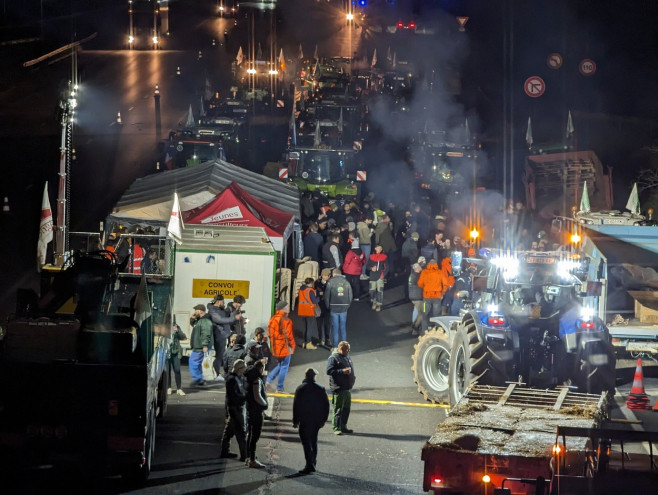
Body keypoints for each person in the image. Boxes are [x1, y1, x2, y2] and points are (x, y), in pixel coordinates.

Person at [292, 367, 330, 474]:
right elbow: (326, 405)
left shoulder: (300, 388)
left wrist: (295, 421)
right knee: (314, 441)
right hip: (316, 420)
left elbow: (296, 406)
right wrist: (323, 419)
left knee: (306, 442)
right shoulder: (320, 388)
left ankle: (309, 464)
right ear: (314, 376)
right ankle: (313, 462)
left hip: (304, 420)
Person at [207, 294, 241, 382]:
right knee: (219, 355)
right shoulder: (213, 311)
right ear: (218, 302)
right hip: (218, 335)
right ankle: (216, 374)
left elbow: (227, 316)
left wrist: (235, 310)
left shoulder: (220, 309)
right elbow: (222, 320)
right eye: (222, 301)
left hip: (223, 334)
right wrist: (234, 317)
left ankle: (216, 373)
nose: (224, 303)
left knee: (221, 355)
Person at [220, 359, 248, 461]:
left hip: (234, 409)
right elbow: (233, 396)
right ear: (239, 369)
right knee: (240, 433)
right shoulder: (232, 380)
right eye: (244, 367)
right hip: (235, 409)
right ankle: (245, 455)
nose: (245, 369)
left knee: (229, 432)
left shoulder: (237, 378)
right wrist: (244, 397)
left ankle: (225, 451)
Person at [326, 341, 356, 435]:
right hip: (339, 388)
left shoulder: (346, 356)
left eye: (349, 349)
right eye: (346, 349)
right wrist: (342, 371)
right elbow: (329, 371)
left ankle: (343, 426)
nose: (348, 351)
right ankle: (336, 428)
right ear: (340, 349)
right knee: (338, 409)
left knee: (346, 408)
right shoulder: (333, 358)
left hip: (347, 388)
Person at [266, 301, 296, 393]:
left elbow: (269, 333)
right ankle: (280, 388)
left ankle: (268, 380)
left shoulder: (272, 319)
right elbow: (289, 336)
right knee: (284, 367)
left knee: (280, 364)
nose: (288, 307)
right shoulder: (286, 320)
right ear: (283, 308)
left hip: (276, 347)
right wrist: (292, 346)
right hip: (284, 347)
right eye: (287, 306)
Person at [244, 360, 268, 468]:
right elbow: (257, 395)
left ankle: (249, 456)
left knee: (250, 434)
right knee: (255, 435)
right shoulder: (256, 380)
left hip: (249, 409)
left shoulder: (248, 376)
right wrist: (265, 404)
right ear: (260, 368)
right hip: (256, 410)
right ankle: (252, 459)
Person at [324, 268, 353, 351]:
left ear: (334, 274)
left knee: (335, 328)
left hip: (333, 307)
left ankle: (335, 346)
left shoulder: (330, 282)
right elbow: (350, 296)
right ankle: (344, 346)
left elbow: (327, 296)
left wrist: (328, 306)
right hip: (344, 308)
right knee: (343, 327)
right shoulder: (346, 282)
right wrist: (347, 305)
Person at [417, 259, 447, 331]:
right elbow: (445, 284)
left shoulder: (424, 272)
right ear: (436, 264)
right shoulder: (440, 272)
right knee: (437, 316)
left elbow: (420, 284)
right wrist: (442, 293)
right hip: (437, 297)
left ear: (429, 264)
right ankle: (438, 331)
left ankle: (424, 331)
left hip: (426, 297)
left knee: (425, 314)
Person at [189, 304, 213, 386]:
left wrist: (205, 345)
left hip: (200, 346)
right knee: (198, 363)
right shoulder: (200, 320)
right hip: (199, 346)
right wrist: (192, 318)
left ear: (200, 311)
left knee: (193, 362)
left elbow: (206, 333)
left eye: (196, 310)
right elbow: (194, 325)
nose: (195, 312)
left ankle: (198, 379)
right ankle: (200, 379)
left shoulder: (205, 320)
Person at [297, 277, 320, 350]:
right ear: (311, 283)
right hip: (309, 311)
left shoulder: (301, 289)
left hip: (302, 310)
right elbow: (315, 301)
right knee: (309, 327)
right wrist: (319, 296)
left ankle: (304, 342)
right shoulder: (310, 290)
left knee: (305, 326)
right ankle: (308, 343)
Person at [366, 244, 388, 312]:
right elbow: (367, 266)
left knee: (380, 291)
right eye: (378, 248)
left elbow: (387, 267)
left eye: (380, 248)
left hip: (380, 276)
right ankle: (374, 301)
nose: (379, 249)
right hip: (372, 276)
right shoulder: (371, 256)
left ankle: (379, 304)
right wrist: (371, 268)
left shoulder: (384, 257)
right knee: (371, 291)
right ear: (375, 249)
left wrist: (383, 274)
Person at [167, 323, 188, 396]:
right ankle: (168, 387)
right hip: (167, 352)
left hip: (176, 352)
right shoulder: (164, 326)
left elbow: (182, 337)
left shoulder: (176, 326)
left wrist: (178, 330)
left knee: (177, 370)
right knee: (167, 370)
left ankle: (179, 389)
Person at [314, 269, 332, 348]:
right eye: (323, 275)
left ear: (329, 276)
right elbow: (315, 292)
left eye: (326, 276)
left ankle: (327, 339)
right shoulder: (317, 282)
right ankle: (321, 339)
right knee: (319, 324)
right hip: (319, 306)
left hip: (328, 307)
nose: (324, 277)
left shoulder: (331, 283)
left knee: (327, 324)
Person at [408, 263, 424, 336]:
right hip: (418, 297)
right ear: (417, 268)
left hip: (413, 296)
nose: (421, 268)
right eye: (420, 267)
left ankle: (415, 327)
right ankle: (415, 327)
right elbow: (421, 284)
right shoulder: (417, 276)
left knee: (417, 312)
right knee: (421, 314)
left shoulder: (411, 275)